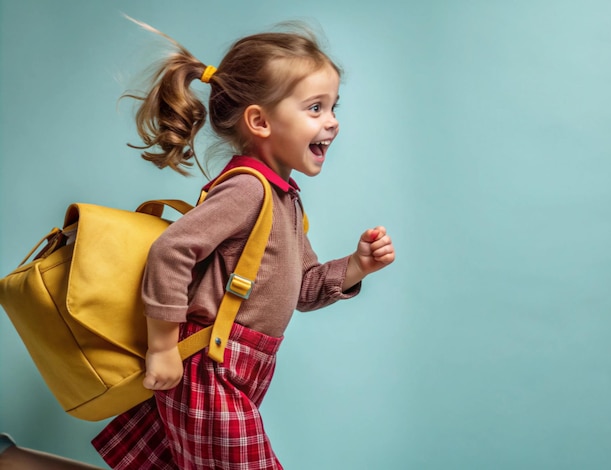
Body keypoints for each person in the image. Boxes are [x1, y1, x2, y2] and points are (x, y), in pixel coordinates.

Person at [92, 19, 395, 470]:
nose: (332, 122)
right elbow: (171, 250)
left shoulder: (283, 198)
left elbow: (303, 289)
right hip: (208, 368)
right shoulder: (248, 190)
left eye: (334, 107)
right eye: (315, 108)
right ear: (259, 121)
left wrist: (356, 266)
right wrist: (161, 347)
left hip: (236, 369)